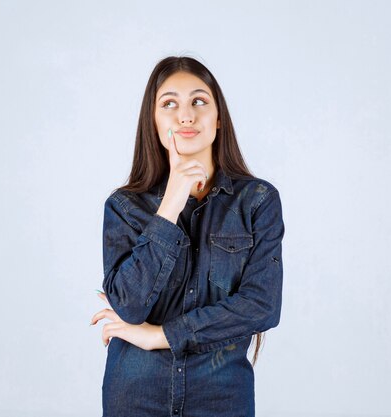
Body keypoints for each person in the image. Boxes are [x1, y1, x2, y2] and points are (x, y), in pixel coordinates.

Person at [90, 55, 285, 417]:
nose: (185, 115)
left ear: (219, 117)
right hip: (134, 393)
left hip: (222, 395)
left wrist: (159, 336)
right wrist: (171, 204)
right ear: (153, 120)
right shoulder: (123, 206)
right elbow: (130, 306)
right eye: (169, 104)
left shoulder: (257, 201)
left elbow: (262, 305)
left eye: (199, 101)